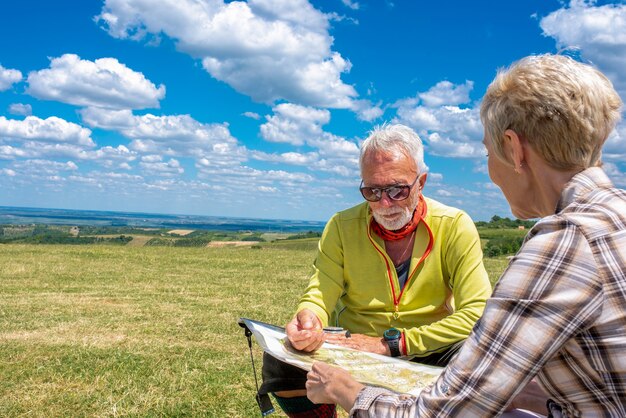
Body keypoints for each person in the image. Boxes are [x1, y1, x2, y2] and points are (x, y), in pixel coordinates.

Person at [305, 54, 626, 417]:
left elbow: (442, 414)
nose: (490, 171)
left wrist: (348, 391)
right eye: (373, 192)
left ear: (513, 149)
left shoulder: (561, 244)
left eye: (488, 152)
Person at [260, 123, 493, 417]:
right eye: (372, 190)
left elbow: (478, 313)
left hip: (429, 347)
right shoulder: (341, 226)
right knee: (281, 358)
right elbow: (321, 289)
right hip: (353, 345)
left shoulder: (455, 225)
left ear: (422, 182)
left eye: (397, 189)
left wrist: (392, 345)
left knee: (480, 360)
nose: (384, 203)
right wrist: (310, 317)